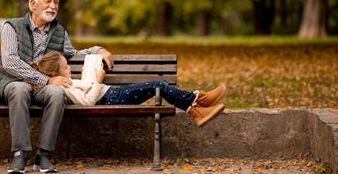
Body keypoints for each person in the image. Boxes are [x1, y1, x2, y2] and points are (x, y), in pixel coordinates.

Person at [0, 0, 113, 174]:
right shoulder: (12, 26)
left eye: (56, 2)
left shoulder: (59, 31)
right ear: (33, 4)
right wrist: (45, 79)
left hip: (41, 89)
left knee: (57, 92)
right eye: (48, 1)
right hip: (12, 83)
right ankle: (19, 154)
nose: (53, 6)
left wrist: (98, 49)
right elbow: (10, 62)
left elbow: (74, 53)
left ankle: (44, 155)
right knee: (20, 89)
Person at [31, 50, 227, 127]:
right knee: (157, 84)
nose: (69, 69)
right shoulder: (62, 87)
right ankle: (196, 103)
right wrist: (98, 80)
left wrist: (94, 63)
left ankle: (196, 106)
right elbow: (88, 102)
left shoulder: (63, 83)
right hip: (111, 98)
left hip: (111, 94)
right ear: (52, 74)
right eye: (65, 68)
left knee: (156, 85)